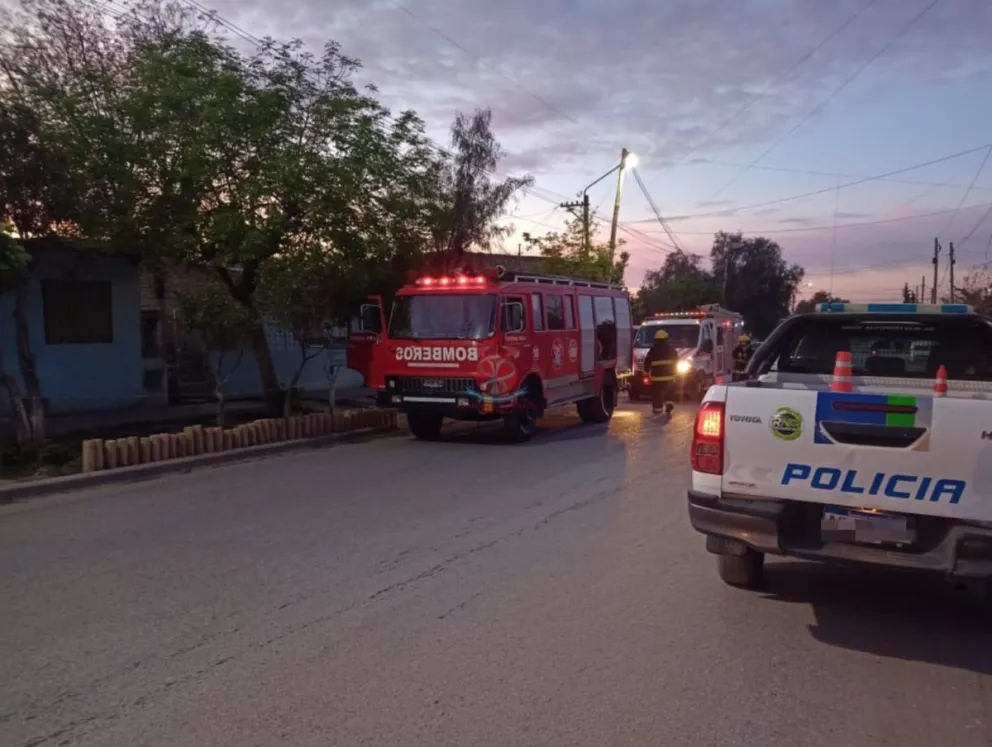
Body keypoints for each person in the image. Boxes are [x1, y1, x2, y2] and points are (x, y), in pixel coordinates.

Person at [644, 329, 676, 415]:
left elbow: (647, 360)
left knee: (656, 393)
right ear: (666, 339)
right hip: (669, 376)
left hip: (656, 377)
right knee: (669, 391)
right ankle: (669, 405)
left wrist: (646, 371)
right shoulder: (671, 349)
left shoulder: (653, 349)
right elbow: (676, 360)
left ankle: (657, 409)